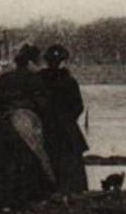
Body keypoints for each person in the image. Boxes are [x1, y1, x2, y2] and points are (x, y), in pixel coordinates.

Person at [0, 43, 57, 209]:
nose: (40, 67)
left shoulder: (4, 78)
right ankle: (28, 195)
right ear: (30, 63)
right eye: (38, 63)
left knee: (2, 163)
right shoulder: (36, 80)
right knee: (28, 161)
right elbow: (43, 104)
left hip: (3, 124)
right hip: (25, 124)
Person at [37, 43, 89, 193]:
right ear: (63, 61)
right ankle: (70, 190)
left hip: (44, 127)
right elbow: (78, 106)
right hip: (66, 128)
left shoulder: (39, 79)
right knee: (70, 162)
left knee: (46, 158)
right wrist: (67, 120)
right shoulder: (69, 81)